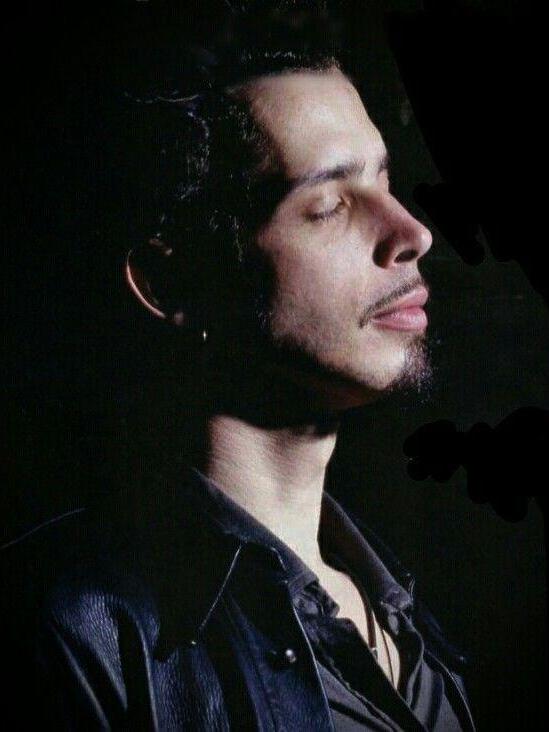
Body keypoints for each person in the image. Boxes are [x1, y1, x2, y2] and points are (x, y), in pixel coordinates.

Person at [2, 7, 475, 731]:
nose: (412, 233)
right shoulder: (75, 628)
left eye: (384, 181)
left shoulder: (405, 621)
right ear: (172, 283)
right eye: (329, 205)